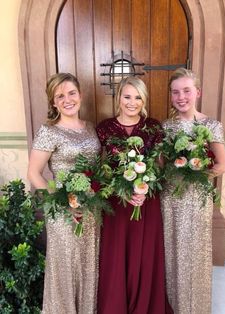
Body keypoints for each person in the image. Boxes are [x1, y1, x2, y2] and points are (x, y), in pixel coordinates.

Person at [96, 76, 173, 314]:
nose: (132, 102)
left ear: (144, 100)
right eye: (127, 96)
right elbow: (101, 169)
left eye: (137, 97)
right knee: (117, 255)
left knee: (145, 255)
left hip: (145, 202)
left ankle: (144, 306)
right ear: (118, 97)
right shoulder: (104, 128)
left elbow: (160, 167)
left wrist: (145, 188)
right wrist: (121, 190)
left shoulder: (153, 127)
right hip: (116, 203)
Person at [27, 73, 101, 314]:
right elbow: (34, 173)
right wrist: (59, 201)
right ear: (53, 102)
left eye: (71, 93)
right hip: (63, 212)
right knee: (66, 266)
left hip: (91, 209)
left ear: (80, 95)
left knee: (88, 265)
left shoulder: (90, 127)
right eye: (60, 96)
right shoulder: (49, 131)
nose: (67, 99)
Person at [160, 68, 225, 314]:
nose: (181, 97)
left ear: (197, 92)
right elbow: (161, 165)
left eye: (186, 91)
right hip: (171, 198)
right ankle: (174, 306)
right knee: (173, 252)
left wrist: (196, 172)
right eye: (175, 92)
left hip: (197, 198)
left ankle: (196, 308)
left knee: (195, 254)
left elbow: (222, 165)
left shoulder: (211, 125)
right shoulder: (166, 127)